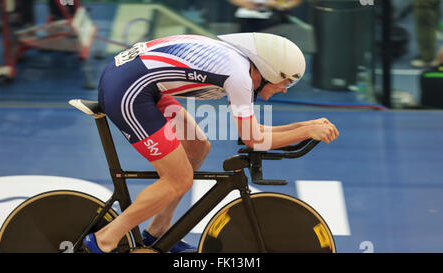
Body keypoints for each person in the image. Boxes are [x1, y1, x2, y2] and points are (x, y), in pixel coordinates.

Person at [82, 32, 339, 253]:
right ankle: (104, 240)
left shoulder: (241, 68)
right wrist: (306, 132)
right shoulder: (239, 76)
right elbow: (253, 139)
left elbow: (253, 132)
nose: (285, 89)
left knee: (197, 147)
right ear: (269, 71)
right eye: (287, 81)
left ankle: (157, 233)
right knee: (178, 179)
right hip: (129, 90)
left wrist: (305, 126)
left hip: (140, 84)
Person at [410, 0, 441, 68]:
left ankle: (427, 59)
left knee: (425, 29)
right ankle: (428, 55)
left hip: (425, 4)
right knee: (429, 26)